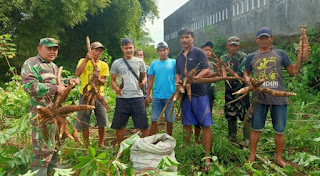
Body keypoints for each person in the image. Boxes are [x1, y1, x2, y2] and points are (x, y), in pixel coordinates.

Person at [21, 38, 79, 175]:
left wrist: (67, 82)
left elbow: (55, 83)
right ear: (39, 48)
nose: (53, 51)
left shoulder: (53, 66)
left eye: (55, 49)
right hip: (41, 113)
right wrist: (54, 88)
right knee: (42, 146)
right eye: (49, 48)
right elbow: (29, 86)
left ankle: (54, 168)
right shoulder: (31, 63)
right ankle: (40, 172)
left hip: (55, 112)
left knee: (56, 140)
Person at [244, 27, 300, 167]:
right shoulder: (251, 56)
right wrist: (248, 81)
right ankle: (252, 155)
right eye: (261, 38)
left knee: (279, 129)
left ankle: (279, 158)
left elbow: (293, 71)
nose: (263, 40)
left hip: (279, 98)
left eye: (266, 38)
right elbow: (245, 72)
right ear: (257, 40)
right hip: (259, 97)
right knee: (256, 128)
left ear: (271, 39)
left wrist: (300, 58)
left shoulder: (280, 54)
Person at [175, 27, 212, 171]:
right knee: (186, 123)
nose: (185, 40)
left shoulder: (199, 53)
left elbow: (206, 70)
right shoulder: (178, 57)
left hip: (200, 94)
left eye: (187, 37)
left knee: (205, 124)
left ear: (193, 38)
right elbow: (178, 73)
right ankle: (188, 151)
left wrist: (193, 78)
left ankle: (207, 156)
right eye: (182, 37)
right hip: (185, 95)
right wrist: (179, 83)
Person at [110, 38, 149, 145]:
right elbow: (112, 80)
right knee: (120, 126)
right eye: (126, 48)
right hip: (122, 99)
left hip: (137, 97)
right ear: (122, 49)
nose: (128, 50)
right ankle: (120, 148)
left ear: (134, 48)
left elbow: (144, 77)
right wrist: (116, 89)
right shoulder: (117, 63)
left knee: (143, 125)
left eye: (130, 48)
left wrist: (143, 82)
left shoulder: (140, 61)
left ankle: (146, 147)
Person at [75, 41, 109, 149]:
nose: (98, 52)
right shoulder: (83, 61)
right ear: (90, 50)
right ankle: (86, 146)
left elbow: (103, 82)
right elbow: (77, 73)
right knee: (84, 121)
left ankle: (101, 143)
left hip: (98, 95)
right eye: (96, 50)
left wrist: (97, 77)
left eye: (100, 51)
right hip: (85, 95)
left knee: (102, 121)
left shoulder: (104, 65)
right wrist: (86, 59)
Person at [220, 36, 251, 145]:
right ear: (227, 46)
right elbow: (220, 72)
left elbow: (241, 73)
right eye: (231, 45)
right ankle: (232, 137)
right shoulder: (223, 58)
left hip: (242, 89)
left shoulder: (244, 57)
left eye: (235, 45)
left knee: (245, 113)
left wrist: (228, 69)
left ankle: (247, 140)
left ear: (239, 46)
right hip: (229, 90)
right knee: (230, 112)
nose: (233, 47)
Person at [145, 41, 176, 136]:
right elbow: (150, 80)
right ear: (157, 52)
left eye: (164, 50)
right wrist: (148, 94)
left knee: (169, 120)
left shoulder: (174, 62)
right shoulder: (154, 64)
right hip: (157, 96)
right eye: (160, 51)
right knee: (154, 119)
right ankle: (152, 140)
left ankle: (169, 139)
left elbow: (178, 77)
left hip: (170, 95)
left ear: (168, 50)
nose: (162, 52)